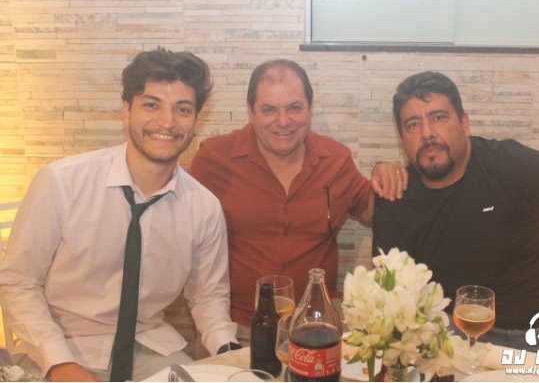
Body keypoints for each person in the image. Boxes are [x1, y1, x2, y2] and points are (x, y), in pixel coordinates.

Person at [0, 48, 238, 381]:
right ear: (126, 111)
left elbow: (208, 296)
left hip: (148, 347)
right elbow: (19, 281)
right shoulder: (60, 182)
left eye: (182, 109)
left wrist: (228, 350)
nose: (167, 121)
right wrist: (59, 363)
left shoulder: (204, 207)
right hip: (58, 343)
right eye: (151, 105)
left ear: (196, 119)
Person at [372, 70, 539, 372]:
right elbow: (388, 294)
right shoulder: (395, 195)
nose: (427, 132)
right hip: (457, 335)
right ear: (402, 139)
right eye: (413, 124)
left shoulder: (509, 162)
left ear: (464, 123)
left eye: (438, 117)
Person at [189, 59, 406, 345]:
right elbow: (181, 231)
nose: (283, 121)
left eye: (294, 107)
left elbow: (370, 211)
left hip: (316, 328)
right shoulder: (213, 159)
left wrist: (385, 173)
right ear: (251, 112)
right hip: (235, 330)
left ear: (309, 109)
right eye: (269, 109)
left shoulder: (336, 160)